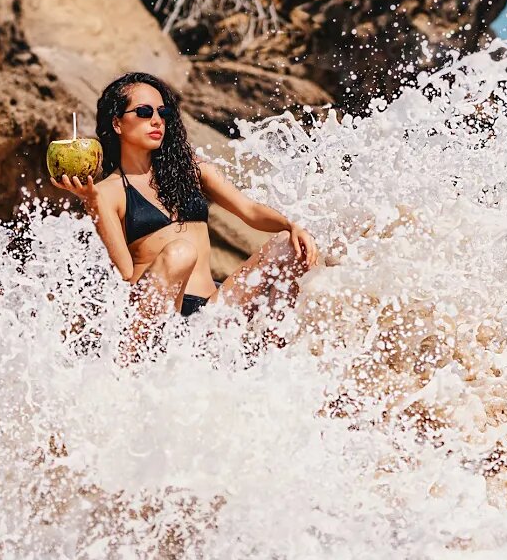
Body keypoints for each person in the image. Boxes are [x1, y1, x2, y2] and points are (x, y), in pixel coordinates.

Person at [53, 72, 319, 353]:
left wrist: (291, 226)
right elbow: (127, 275)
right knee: (180, 252)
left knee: (288, 244)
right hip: (162, 321)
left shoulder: (192, 171)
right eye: (143, 112)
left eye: (162, 112)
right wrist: (94, 206)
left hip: (214, 313)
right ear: (117, 122)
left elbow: (249, 210)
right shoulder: (107, 191)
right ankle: (126, 367)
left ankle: (274, 359)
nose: (156, 120)